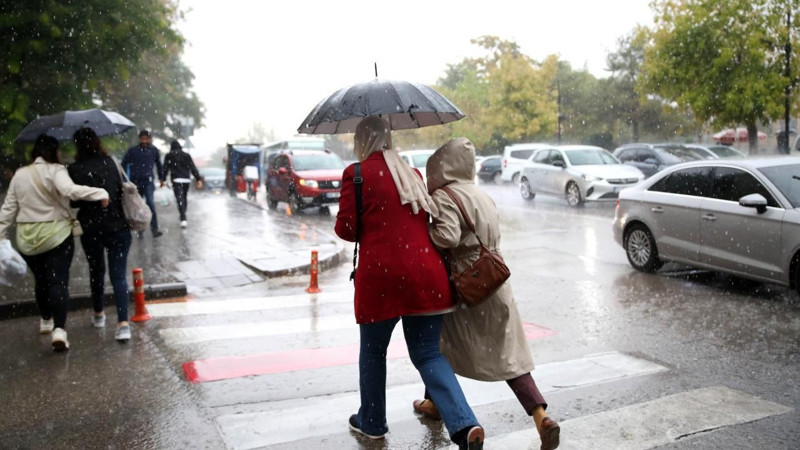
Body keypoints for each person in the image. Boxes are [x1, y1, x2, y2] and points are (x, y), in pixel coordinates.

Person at [335, 116, 485, 450]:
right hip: (425, 276)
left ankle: (372, 422)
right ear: (388, 138)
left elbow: (345, 230)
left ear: (362, 140)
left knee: (374, 352)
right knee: (429, 354)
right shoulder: (411, 173)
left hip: (381, 281)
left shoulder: (356, 174)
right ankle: (465, 424)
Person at [415, 137, 561, 450]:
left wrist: (424, 231)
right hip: (496, 278)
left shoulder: (444, 195)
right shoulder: (480, 193)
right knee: (511, 356)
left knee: (438, 347)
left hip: (467, 284)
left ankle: (441, 406)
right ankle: (540, 417)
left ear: (440, 166)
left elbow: (448, 236)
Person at [0, 134, 109, 352]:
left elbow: (8, 209)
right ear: (55, 151)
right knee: (57, 282)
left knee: (40, 281)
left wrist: (1, 234)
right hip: (56, 235)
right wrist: (100, 192)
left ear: (35, 152)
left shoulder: (20, 175)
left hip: (27, 238)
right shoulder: (57, 170)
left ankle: (46, 319)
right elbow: (71, 191)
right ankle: (59, 330)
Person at [68, 128, 133, 342]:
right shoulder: (111, 162)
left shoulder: (75, 169)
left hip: (92, 227)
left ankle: (99, 314)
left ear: (78, 145)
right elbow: (118, 191)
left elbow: (73, 201)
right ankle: (123, 323)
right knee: (118, 275)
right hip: (117, 225)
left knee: (96, 271)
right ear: (97, 142)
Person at [121, 129, 164, 237]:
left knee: (150, 204)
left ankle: (154, 229)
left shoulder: (154, 150)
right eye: (142, 138)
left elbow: (159, 165)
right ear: (140, 139)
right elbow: (124, 163)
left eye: (146, 139)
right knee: (137, 206)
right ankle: (140, 228)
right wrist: (123, 178)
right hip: (135, 182)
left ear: (149, 139)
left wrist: (161, 178)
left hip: (148, 181)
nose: (144, 141)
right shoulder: (133, 151)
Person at [162, 140, 203, 228]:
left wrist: (163, 179)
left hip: (176, 179)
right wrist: (198, 178)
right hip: (186, 180)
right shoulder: (186, 155)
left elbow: (165, 168)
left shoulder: (169, 155)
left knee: (179, 198)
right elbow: (192, 167)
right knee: (184, 197)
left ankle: (183, 216)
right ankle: (183, 215)